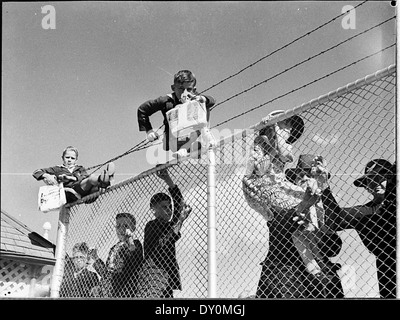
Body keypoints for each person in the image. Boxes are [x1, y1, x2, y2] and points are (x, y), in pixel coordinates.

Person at [242, 111, 329, 279]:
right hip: (258, 183)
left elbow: (286, 154)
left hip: (277, 183)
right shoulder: (260, 142)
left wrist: (277, 132)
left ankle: (315, 257)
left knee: (306, 199)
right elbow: (258, 169)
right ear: (273, 125)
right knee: (298, 207)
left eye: (290, 126)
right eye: (285, 124)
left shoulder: (285, 146)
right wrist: (272, 128)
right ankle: (313, 259)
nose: (289, 130)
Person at [318, 158, 396, 298]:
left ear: (391, 178)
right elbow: (335, 218)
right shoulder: (365, 211)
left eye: (381, 177)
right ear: (366, 186)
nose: (375, 183)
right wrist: (323, 185)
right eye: (370, 180)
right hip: (387, 268)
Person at [135, 165, 192, 298]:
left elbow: (179, 203)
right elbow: (163, 243)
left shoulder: (170, 225)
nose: (169, 209)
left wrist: (168, 180)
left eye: (169, 206)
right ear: (153, 210)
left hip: (166, 276)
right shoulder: (151, 226)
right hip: (153, 274)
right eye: (164, 206)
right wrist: (181, 220)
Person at [137, 70, 216, 157]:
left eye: (189, 89)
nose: (185, 93)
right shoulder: (165, 100)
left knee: (204, 106)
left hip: (194, 134)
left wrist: (202, 99)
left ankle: (196, 143)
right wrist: (149, 131)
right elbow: (142, 109)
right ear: (173, 88)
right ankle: (186, 148)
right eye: (181, 89)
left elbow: (212, 101)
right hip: (174, 137)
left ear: (194, 89)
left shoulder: (195, 97)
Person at [33, 146, 115, 203]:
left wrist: (70, 178)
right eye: (67, 157)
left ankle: (104, 181)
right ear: (62, 158)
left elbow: (84, 177)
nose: (69, 160)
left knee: (93, 183)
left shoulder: (79, 168)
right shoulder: (57, 169)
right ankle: (105, 180)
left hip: (84, 191)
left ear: (76, 160)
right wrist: (47, 175)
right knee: (91, 179)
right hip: (70, 193)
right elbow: (36, 172)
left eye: (72, 158)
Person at [90, 212, 144, 298]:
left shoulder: (135, 244)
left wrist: (129, 239)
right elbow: (106, 273)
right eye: (118, 226)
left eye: (126, 226)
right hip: (108, 291)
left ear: (133, 228)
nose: (121, 229)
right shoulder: (114, 248)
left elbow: (135, 262)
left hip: (124, 291)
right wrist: (96, 258)